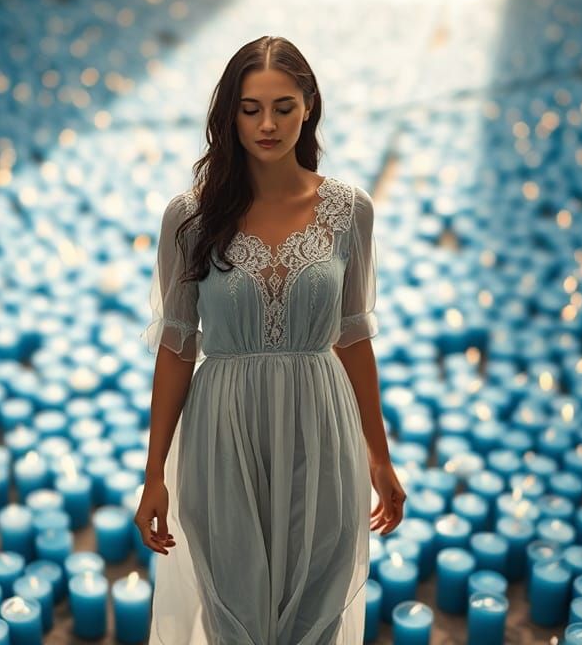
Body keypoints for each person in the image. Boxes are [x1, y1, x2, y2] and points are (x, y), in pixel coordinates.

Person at [137, 35, 406, 644]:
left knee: (317, 608)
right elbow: (178, 347)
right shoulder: (189, 217)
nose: (267, 123)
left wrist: (379, 456)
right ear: (229, 114)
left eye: (283, 106)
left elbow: (354, 337)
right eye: (251, 108)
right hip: (220, 435)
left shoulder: (350, 210)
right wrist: (155, 473)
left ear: (308, 106)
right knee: (236, 616)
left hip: (321, 428)